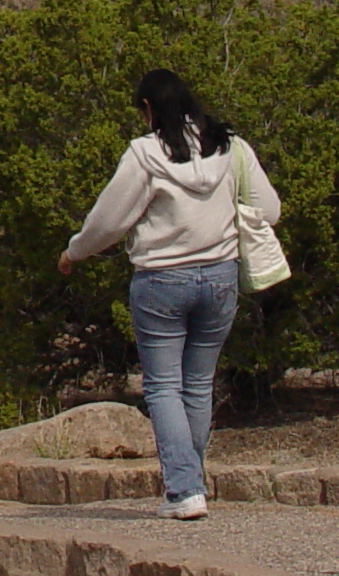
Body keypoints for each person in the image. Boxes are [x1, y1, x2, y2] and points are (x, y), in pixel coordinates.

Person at [58, 69, 277, 521]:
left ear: (150, 109)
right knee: (197, 384)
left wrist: (74, 252)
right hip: (220, 276)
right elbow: (269, 208)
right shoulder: (230, 146)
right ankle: (189, 481)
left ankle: (183, 490)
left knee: (162, 387)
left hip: (161, 280)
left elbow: (108, 221)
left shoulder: (144, 154)